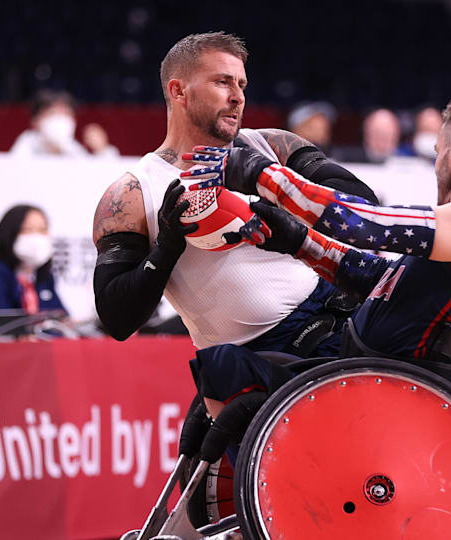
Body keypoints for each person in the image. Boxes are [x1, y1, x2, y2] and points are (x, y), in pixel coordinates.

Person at [91, 32, 376, 412]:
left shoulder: (270, 145)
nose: (238, 96)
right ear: (179, 91)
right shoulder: (131, 192)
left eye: (241, 84)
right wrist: (169, 245)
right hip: (265, 359)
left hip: (342, 310)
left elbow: (363, 205)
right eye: (223, 81)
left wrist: (274, 185)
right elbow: (117, 319)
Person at [185, 90, 451, 364]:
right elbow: (379, 278)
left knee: (225, 367)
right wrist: (297, 241)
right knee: (228, 375)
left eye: (437, 151)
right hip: (369, 369)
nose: (437, 163)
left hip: (388, 388)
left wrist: (257, 171)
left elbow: (364, 222)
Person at [0, 205, 66, 315]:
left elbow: (61, 318)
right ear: (9, 233)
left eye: (42, 230)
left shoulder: (44, 277)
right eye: (27, 230)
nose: (36, 237)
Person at [10, 90, 89, 157]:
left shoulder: (73, 147)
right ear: (35, 121)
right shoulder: (26, 143)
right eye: (52, 114)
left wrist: (100, 152)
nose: (59, 121)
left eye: (65, 114)